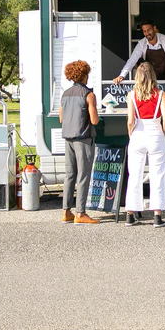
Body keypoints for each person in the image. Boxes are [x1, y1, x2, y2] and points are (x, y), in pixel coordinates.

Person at [125, 62, 165, 227]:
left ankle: (130, 213)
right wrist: (162, 134)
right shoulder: (161, 95)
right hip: (156, 134)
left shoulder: (132, 95)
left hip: (138, 135)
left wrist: (131, 134)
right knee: (157, 175)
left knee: (134, 175)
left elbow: (130, 121)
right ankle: (157, 215)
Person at [59, 60, 100, 225]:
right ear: (84, 75)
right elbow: (95, 120)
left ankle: (66, 211)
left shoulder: (65, 94)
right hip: (83, 138)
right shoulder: (88, 95)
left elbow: (62, 118)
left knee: (70, 175)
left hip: (68, 138)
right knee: (83, 175)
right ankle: (81, 213)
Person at [112, 19, 165, 85]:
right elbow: (132, 60)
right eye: (144, 31)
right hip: (148, 81)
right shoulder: (142, 44)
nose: (147, 33)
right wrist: (122, 76)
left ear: (154, 28)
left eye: (149, 30)